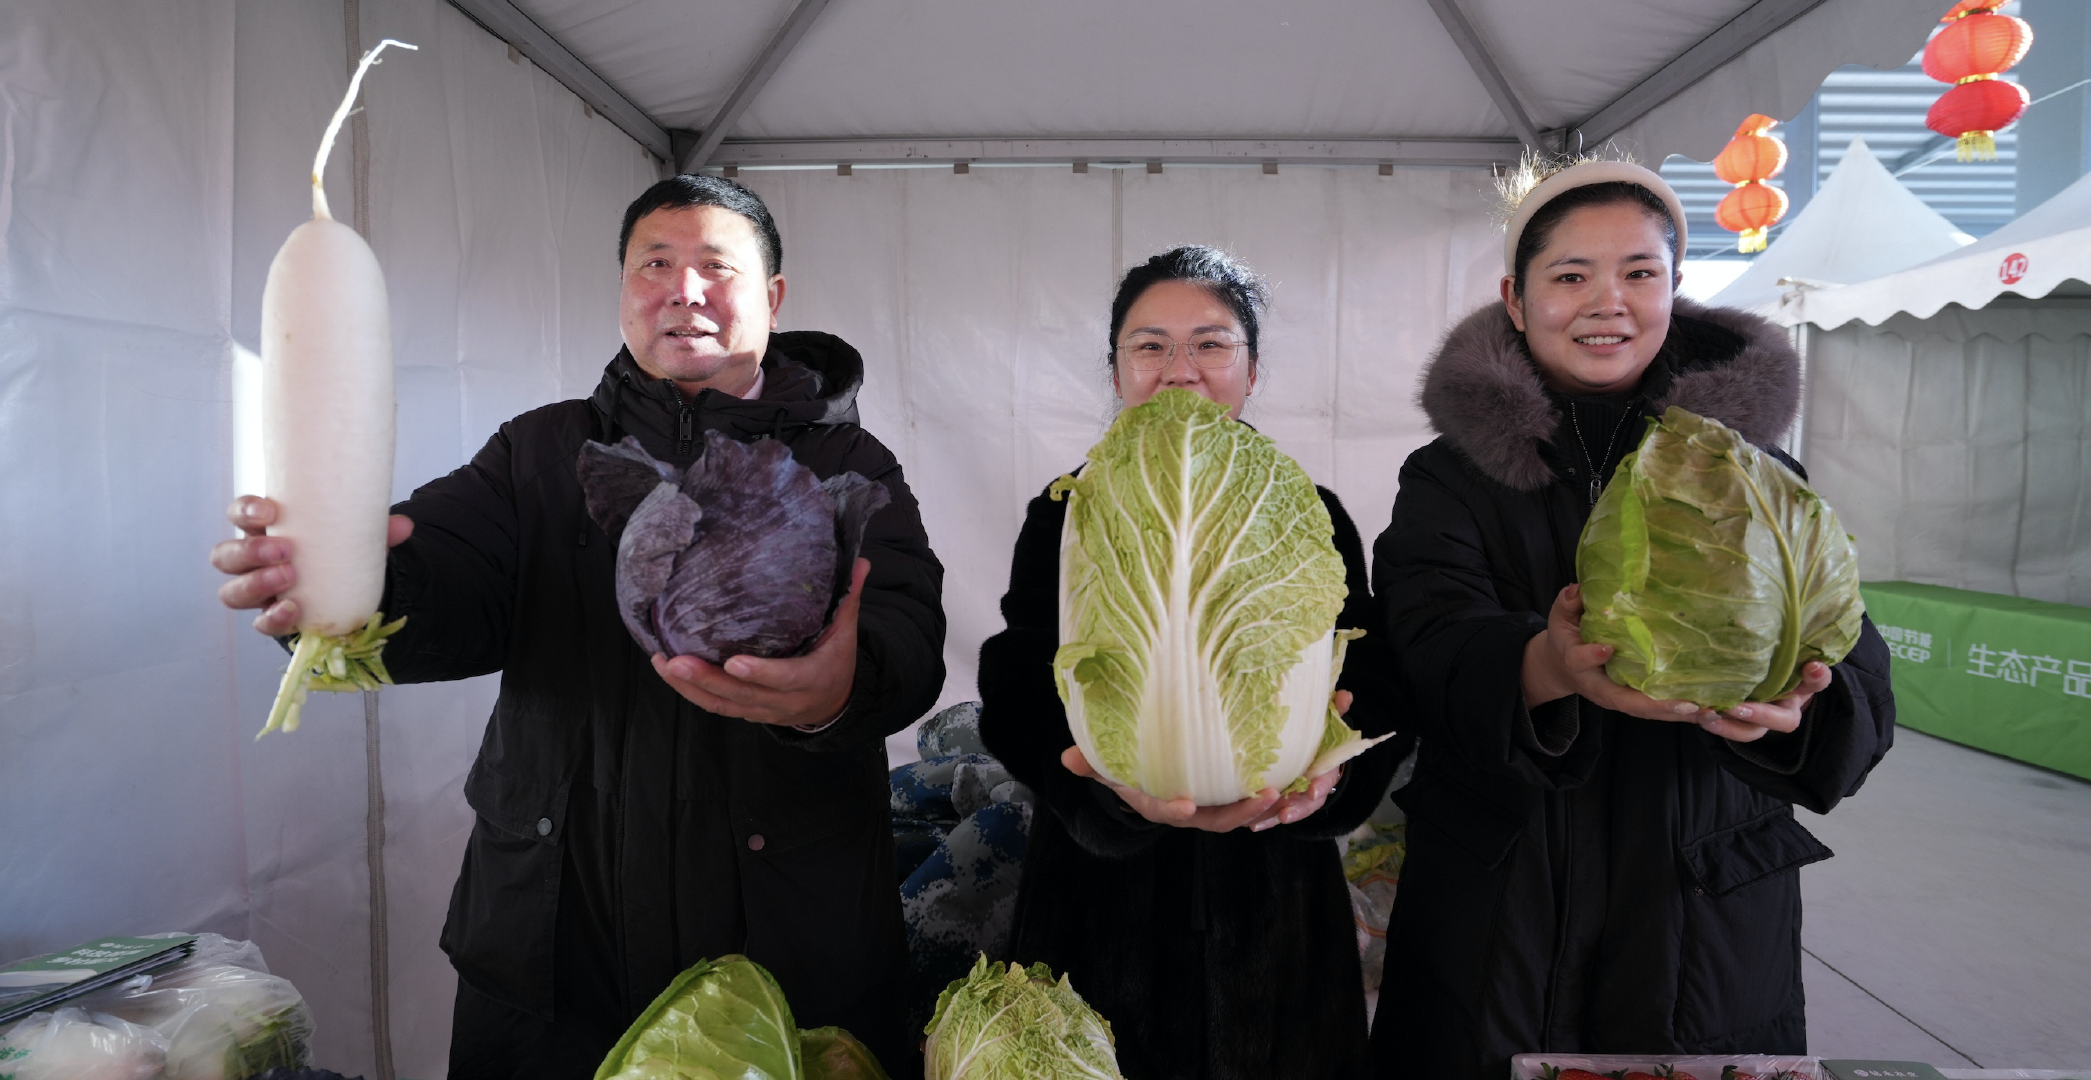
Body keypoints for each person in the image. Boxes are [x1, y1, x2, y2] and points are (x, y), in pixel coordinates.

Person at [210, 175, 945, 1078]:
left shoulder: (848, 462)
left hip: (786, 943)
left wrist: (836, 691)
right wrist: (344, 585)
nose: (683, 290)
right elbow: (450, 578)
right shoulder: (540, 452)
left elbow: (908, 632)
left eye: (716, 267)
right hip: (552, 947)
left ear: (773, 297)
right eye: (655, 265)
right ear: (624, 289)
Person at [1366, 158, 1894, 1080]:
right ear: (1516, 299)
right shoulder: (1449, 478)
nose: (1606, 302)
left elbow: (1857, 681)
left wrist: (1794, 711)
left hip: (1702, 922)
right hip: (1501, 912)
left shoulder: (1761, 477)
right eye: (1570, 275)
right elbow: (1423, 644)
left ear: (1673, 291)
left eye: (1639, 273)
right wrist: (1544, 667)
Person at [978, 246, 1409, 1080]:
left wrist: (1331, 784)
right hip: (1101, 900)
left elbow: (1376, 677)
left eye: (1211, 344)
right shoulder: (1068, 509)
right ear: (1116, 370)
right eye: (1149, 346)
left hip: (1276, 903)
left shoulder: (1309, 508)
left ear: (1252, 369)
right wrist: (1099, 797)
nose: (1180, 370)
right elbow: (1017, 679)